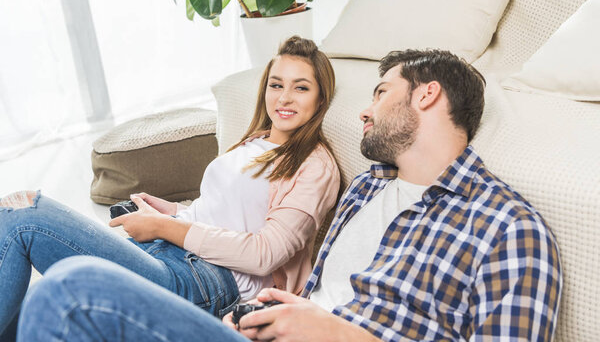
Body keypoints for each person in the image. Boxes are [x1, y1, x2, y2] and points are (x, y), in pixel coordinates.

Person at [16, 49, 562, 341]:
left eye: (378, 93)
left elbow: (278, 260)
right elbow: (315, 290)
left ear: (427, 94)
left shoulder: (508, 227)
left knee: (69, 286)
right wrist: (266, 311)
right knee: (57, 296)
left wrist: (335, 333)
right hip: (247, 324)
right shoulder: (369, 189)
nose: (364, 111)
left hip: (228, 286)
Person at [0, 36, 340, 336]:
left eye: (301, 87)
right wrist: (176, 212)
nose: (284, 98)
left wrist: (164, 226)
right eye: (276, 85)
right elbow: (225, 213)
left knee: (24, 214)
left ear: (321, 99)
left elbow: (264, 254)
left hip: (211, 280)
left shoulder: (314, 164)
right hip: (176, 253)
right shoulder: (257, 141)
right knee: (31, 302)